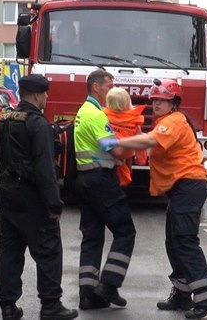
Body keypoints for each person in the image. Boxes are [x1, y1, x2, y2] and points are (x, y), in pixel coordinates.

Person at [110, 79, 207, 319]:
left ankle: (206, 298)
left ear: (174, 103)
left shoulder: (174, 122)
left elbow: (149, 142)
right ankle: (182, 295)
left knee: (184, 241)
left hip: (188, 186)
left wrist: (116, 142)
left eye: (162, 100)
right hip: (182, 188)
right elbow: (146, 144)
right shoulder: (166, 123)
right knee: (174, 242)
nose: (156, 103)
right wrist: (128, 138)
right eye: (155, 100)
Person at [0, 74, 78, 320]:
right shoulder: (38, 123)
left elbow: (0, 160)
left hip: (7, 192)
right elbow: (45, 169)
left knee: (9, 250)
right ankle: (51, 305)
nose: (47, 98)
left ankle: (8, 307)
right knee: (49, 249)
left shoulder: (5, 119)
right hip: (31, 195)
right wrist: (54, 204)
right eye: (46, 94)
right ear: (38, 95)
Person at [73, 69, 137, 310]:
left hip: (86, 180)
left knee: (92, 238)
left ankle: (87, 295)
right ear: (96, 87)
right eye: (109, 85)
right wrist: (139, 141)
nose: (112, 89)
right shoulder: (96, 116)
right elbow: (116, 150)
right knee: (125, 232)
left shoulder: (83, 111)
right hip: (101, 181)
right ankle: (108, 285)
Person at [102, 87, 147, 186]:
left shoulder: (103, 117)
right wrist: (141, 160)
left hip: (107, 156)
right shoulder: (134, 120)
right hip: (125, 157)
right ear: (127, 101)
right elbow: (139, 141)